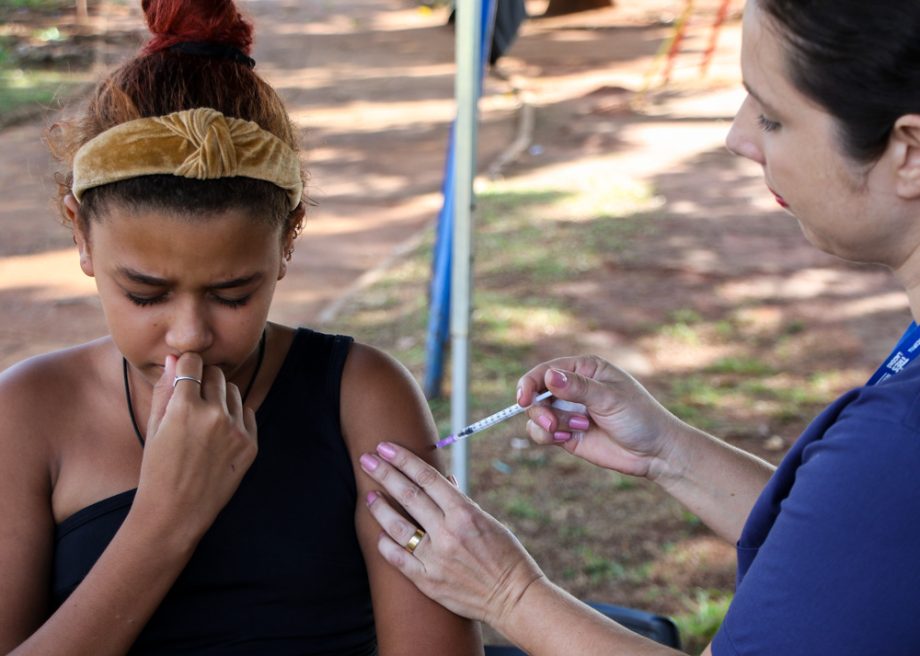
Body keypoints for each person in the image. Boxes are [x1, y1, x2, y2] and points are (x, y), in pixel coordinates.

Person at [358, 0, 920, 654]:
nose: (738, 138)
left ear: (908, 151)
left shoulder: (897, 440)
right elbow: (847, 547)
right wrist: (667, 453)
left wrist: (507, 591)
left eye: (772, 116)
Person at [0, 1, 484, 654]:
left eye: (233, 294)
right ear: (80, 233)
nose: (189, 335)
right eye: (145, 294)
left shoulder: (360, 400)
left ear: (288, 240)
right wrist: (165, 520)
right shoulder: (30, 414)